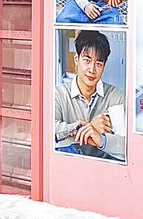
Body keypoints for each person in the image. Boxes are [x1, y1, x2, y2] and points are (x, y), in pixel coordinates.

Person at [53, 30, 125, 161]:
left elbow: (128, 145)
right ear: (76, 59)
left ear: (104, 66)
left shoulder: (117, 97)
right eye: (87, 60)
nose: (92, 70)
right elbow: (48, 134)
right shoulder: (58, 94)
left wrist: (102, 140)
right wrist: (86, 128)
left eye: (98, 64)